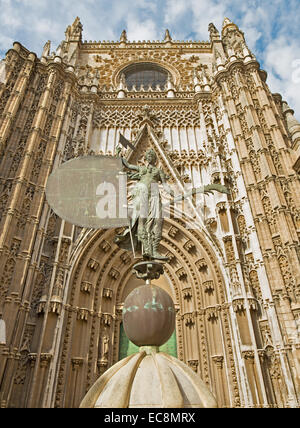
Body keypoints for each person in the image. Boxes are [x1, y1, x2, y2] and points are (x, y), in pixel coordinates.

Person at [115, 147, 171, 260]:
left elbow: (164, 184)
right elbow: (128, 166)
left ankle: (154, 250)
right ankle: (146, 248)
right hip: (142, 195)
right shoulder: (142, 169)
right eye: (148, 156)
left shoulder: (158, 171)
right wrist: (118, 155)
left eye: (152, 156)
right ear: (146, 158)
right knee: (141, 220)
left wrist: (171, 192)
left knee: (158, 221)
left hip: (154, 196)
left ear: (155, 159)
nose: (150, 158)